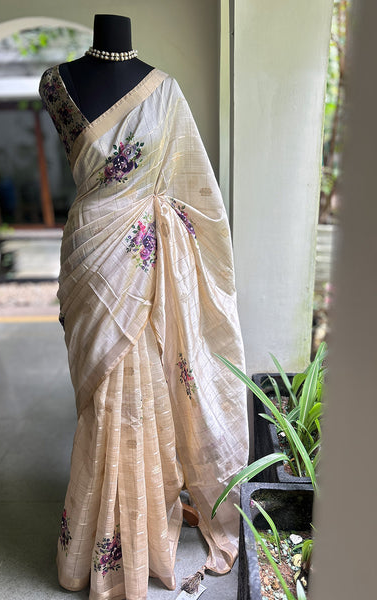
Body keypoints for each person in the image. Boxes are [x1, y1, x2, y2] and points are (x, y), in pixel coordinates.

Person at [39, 14, 249, 600]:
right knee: (102, 400)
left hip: (140, 261)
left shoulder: (166, 93)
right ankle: (108, 537)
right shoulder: (55, 83)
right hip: (93, 258)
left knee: (140, 390)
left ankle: (134, 528)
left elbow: (193, 189)